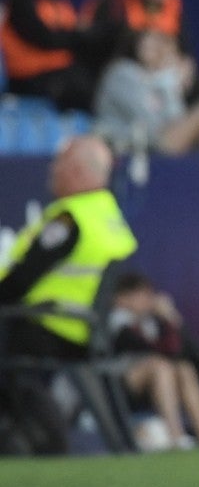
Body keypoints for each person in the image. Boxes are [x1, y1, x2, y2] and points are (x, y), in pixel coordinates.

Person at [0, 136, 137, 360]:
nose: (52, 169)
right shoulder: (109, 215)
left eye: (59, 162)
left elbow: (22, 278)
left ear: (77, 171)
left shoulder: (71, 219)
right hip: (87, 332)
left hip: (48, 327)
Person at [108, 272, 199, 450]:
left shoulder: (151, 322)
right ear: (121, 299)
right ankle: (176, 437)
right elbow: (142, 347)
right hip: (118, 385)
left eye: (149, 294)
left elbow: (193, 353)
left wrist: (173, 319)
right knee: (160, 366)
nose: (148, 300)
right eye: (141, 295)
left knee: (185, 368)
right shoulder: (115, 320)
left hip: (153, 382)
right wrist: (165, 323)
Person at [94, 29, 199, 158]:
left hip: (155, 148)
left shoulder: (160, 80)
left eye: (164, 40)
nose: (157, 45)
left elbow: (174, 120)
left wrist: (171, 83)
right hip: (126, 152)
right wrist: (170, 81)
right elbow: (152, 129)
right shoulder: (121, 73)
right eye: (150, 36)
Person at [1, 0, 98, 110]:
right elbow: (44, 38)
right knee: (81, 90)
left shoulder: (60, 2)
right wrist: (76, 35)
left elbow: (74, 37)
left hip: (60, 71)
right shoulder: (20, 0)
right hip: (26, 76)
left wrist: (77, 35)